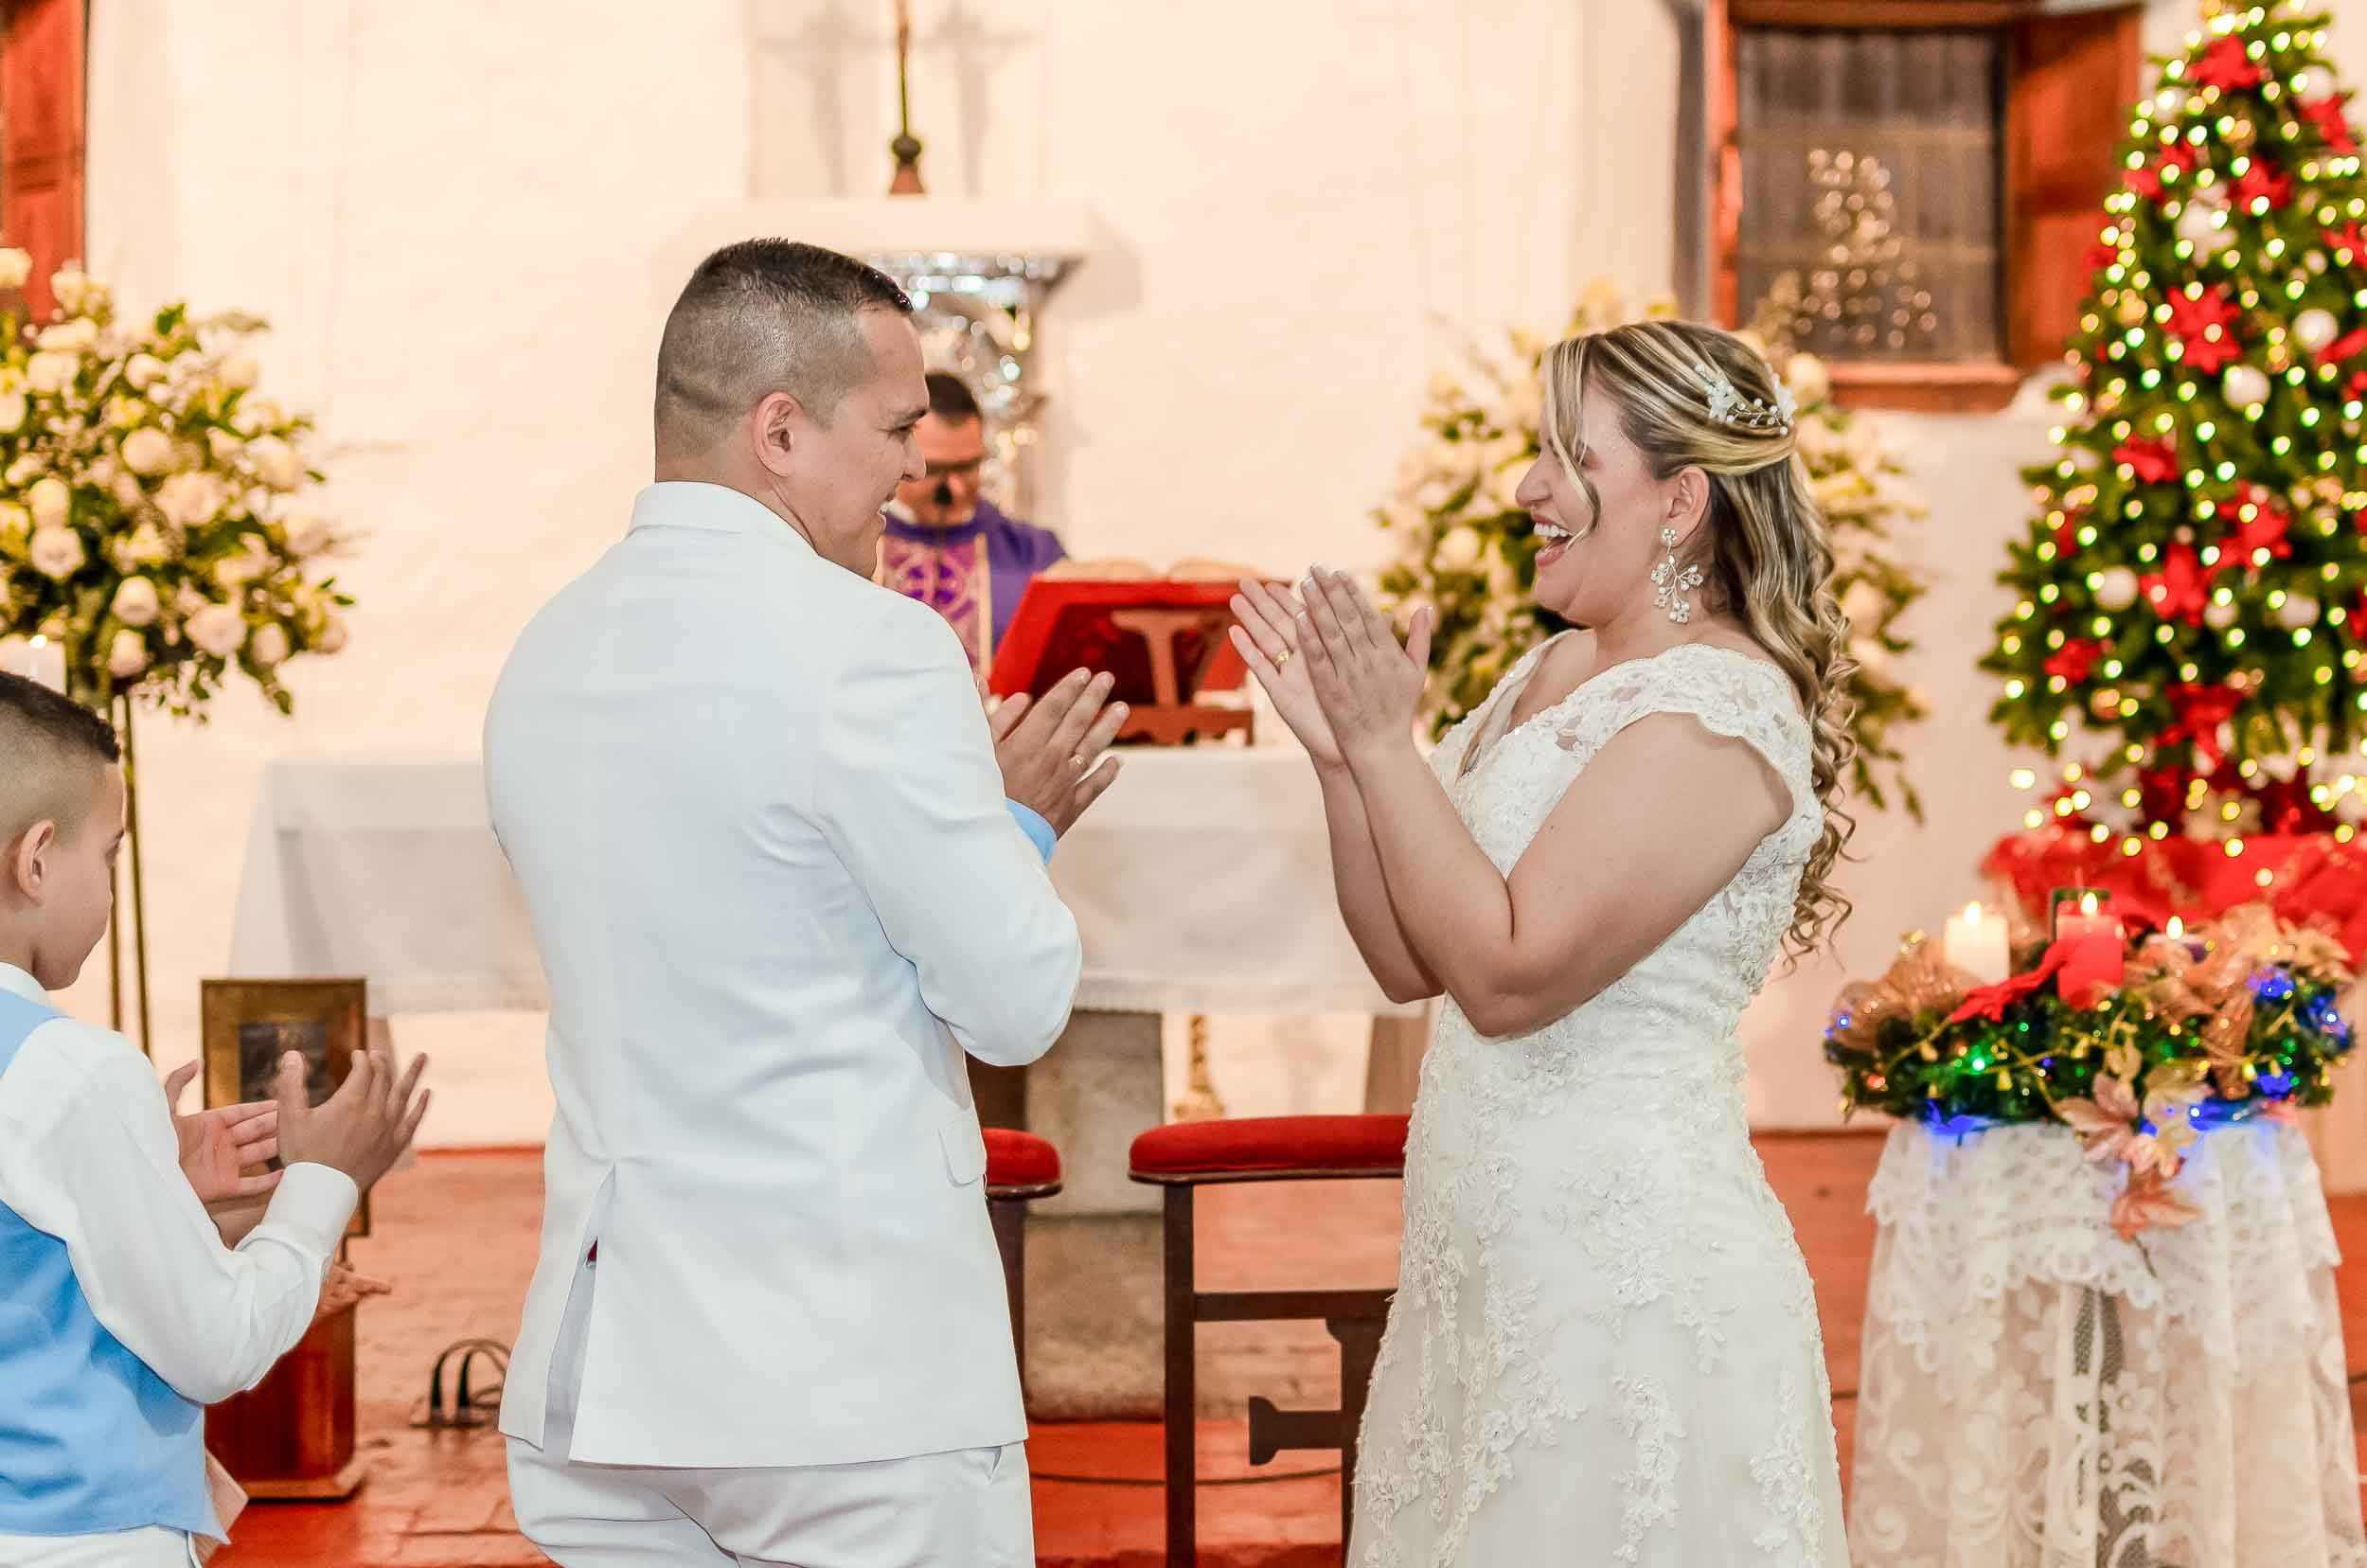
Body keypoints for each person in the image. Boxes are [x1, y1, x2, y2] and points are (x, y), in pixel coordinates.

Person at [488, 239, 1124, 1567]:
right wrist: (1015, 823)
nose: (911, 467)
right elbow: (1012, 1003)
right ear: (779, 429)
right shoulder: (869, 649)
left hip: (604, 1374)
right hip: (841, 1381)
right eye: (895, 428)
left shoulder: (548, 646)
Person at [1233, 319, 1853, 1563]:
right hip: (1484, 1263)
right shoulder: (1543, 674)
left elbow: (1512, 978)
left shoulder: (1720, 707)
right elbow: (1418, 961)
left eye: (1570, 458)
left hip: (1626, 1283)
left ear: (1679, 501)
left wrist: (1388, 748)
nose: (1526, 490)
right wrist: (1346, 766)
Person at [0, 671, 428, 1567]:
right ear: (36, 860)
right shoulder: (72, 1070)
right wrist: (324, 1185)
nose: (111, 890)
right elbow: (214, 1347)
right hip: (78, 1536)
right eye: (108, 856)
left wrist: (148, 1190)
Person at [877, 371, 1069, 672]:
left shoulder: (1033, 553)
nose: (954, 488)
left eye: (967, 467)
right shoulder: (851, 546)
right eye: (937, 470)